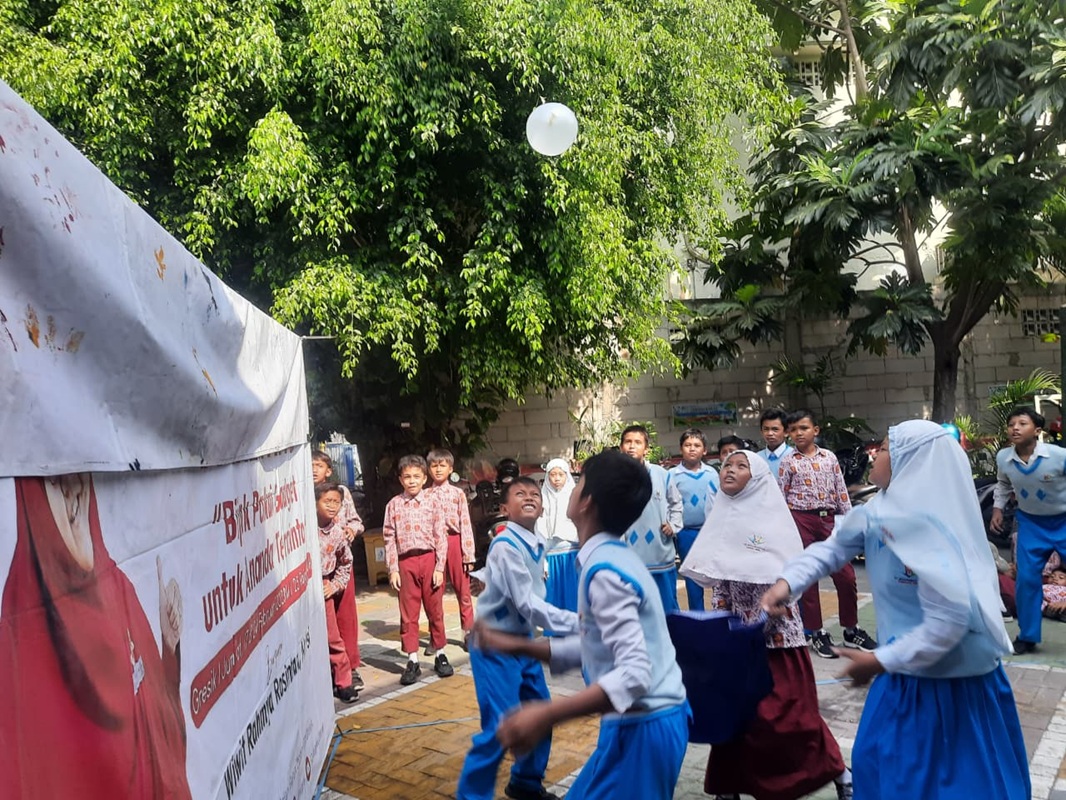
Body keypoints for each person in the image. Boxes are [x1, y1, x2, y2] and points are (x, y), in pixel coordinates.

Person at [762, 420, 1030, 800]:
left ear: (912, 462)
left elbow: (949, 623)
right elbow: (831, 549)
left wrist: (879, 660)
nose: (876, 453)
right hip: (904, 676)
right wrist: (787, 583)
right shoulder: (878, 511)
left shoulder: (936, 528)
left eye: (886, 448)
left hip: (953, 685)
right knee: (883, 768)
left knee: (957, 784)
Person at [475, 450, 690, 799]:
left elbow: (635, 674)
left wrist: (547, 713)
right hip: (635, 723)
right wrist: (517, 645)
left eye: (580, 484)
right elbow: (598, 644)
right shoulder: (609, 557)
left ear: (586, 502)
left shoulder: (605, 571)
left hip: (645, 726)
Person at [0, 475, 191, 798]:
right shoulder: (18, 640)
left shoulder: (119, 588)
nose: (73, 495)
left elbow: (162, 733)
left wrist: (169, 645)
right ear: (33, 505)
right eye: (55, 483)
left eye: (79, 479)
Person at [680, 452, 852, 800]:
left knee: (793, 719)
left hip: (778, 643)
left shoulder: (775, 520)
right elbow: (719, 583)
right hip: (737, 645)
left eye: (741, 466)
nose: (730, 470)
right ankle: (728, 787)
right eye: (727, 465)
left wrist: (766, 613)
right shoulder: (722, 518)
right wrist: (723, 627)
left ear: (757, 477)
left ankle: (839, 772)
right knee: (733, 718)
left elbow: (789, 579)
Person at [456, 477, 579, 800]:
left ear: (542, 506)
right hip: (496, 646)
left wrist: (483, 577)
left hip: (523, 643)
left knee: (538, 715)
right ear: (504, 508)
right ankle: (473, 793)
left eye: (535, 494)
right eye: (520, 494)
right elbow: (527, 602)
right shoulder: (506, 544)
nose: (529, 498)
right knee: (501, 727)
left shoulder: (534, 540)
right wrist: (577, 622)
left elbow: (507, 575)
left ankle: (525, 784)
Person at [778, 409, 876, 659]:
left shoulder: (829, 458)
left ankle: (851, 629)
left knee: (846, 576)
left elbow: (841, 491)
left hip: (829, 520)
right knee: (809, 579)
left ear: (815, 430)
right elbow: (781, 495)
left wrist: (846, 523)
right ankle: (817, 632)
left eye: (804, 428)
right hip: (801, 520)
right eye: (793, 430)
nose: (799, 434)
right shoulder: (789, 461)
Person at [991, 406, 1066, 654]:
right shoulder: (1004, 458)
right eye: (1012, 423)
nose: (1015, 428)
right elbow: (1002, 484)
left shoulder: (1058, 456)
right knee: (1026, 580)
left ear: (1037, 430)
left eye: (1022, 423)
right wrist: (998, 510)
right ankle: (1028, 635)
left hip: (1063, 520)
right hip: (1031, 524)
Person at [383, 454, 452, 684]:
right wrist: (393, 568)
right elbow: (389, 538)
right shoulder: (393, 505)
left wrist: (440, 567)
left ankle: (440, 654)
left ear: (424, 478)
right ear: (400, 479)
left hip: (429, 559)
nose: (412, 481)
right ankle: (412, 659)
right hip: (405, 563)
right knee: (408, 613)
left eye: (416, 477)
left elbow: (440, 536)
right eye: (407, 477)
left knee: (435, 609)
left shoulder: (433, 503)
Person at [312, 450, 366, 689]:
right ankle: (328, 670)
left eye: (319, 465)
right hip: (314, 569)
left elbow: (356, 521)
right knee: (323, 622)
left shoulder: (341, 492)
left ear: (328, 469)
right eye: (310, 465)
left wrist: (351, 531)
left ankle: (351, 667)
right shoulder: (301, 492)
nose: (314, 470)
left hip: (341, 560)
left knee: (345, 616)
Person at [619, 424, 684, 612]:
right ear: (621, 447)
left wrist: (673, 524)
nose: (632, 446)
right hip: (628, 553)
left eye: (637, 442)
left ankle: (671, 641)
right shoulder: (613, 476)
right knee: (634, 607)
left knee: (667, 607)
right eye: (628, 442)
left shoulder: (662, 475)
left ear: (646, 449)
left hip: (660, 552)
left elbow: (676, 502)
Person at [425, 448, 476, 640]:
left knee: (463, 590)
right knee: (434, 592)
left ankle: (469, 632)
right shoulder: (425, 495)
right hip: (433, 545)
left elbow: (465, 523)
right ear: (428, 470)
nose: (438, 470)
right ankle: (436, 637)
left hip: (454, 541)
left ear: (450, 468)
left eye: (442, 465)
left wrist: (468, 554)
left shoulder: (458, 494)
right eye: (434, 466)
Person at [317, 482, 359, 703]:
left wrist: (334, 585)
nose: (332, 506)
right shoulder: (301, 527)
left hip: (324, 588)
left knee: (333, 637)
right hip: (300, 588)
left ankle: (344, 683)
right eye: (327, 501)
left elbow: (346, 562)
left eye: (336, 502)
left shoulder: (337, 533)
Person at [668, 428, 719, 611]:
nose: (692, 449)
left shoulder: (712, 474)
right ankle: (697, 617)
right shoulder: (673, 475)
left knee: (716, 575)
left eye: (697, 445)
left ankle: (719, 616)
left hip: (710, 532)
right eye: (687, 445)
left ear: (704, 450)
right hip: (686, 533)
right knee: (692, 576)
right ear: (681, 448)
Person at [536, 458, 580, 611]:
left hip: (571, 552)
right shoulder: (543, 500)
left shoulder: (574, 497)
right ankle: (554, 631)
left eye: (560, 475)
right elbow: (539, 529)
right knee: (553, 593)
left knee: (573, 592)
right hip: (552, 553)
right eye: (552, 475)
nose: (556, 479)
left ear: (566, 476)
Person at [757, 408, 794, 475]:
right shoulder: (757, 458)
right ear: (761, 432)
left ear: (786, 432)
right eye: (766, 429)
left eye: (775, 429)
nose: (770, 433)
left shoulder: (794, 456)